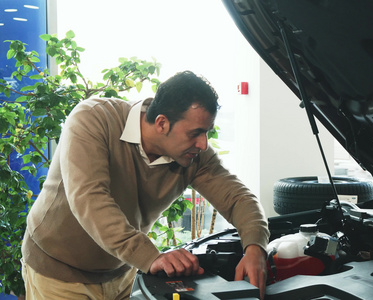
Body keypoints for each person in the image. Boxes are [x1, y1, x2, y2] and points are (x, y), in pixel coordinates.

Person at [21, 70, 270, 299]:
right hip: (58, 272)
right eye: (195, 133)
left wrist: (255, 247)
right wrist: (149, 256)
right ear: (162, 123)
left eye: (207, 132)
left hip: (121, 271)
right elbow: (89, 197)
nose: (203, 144)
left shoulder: (196, 156)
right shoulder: (93, 119)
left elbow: (238, 197)